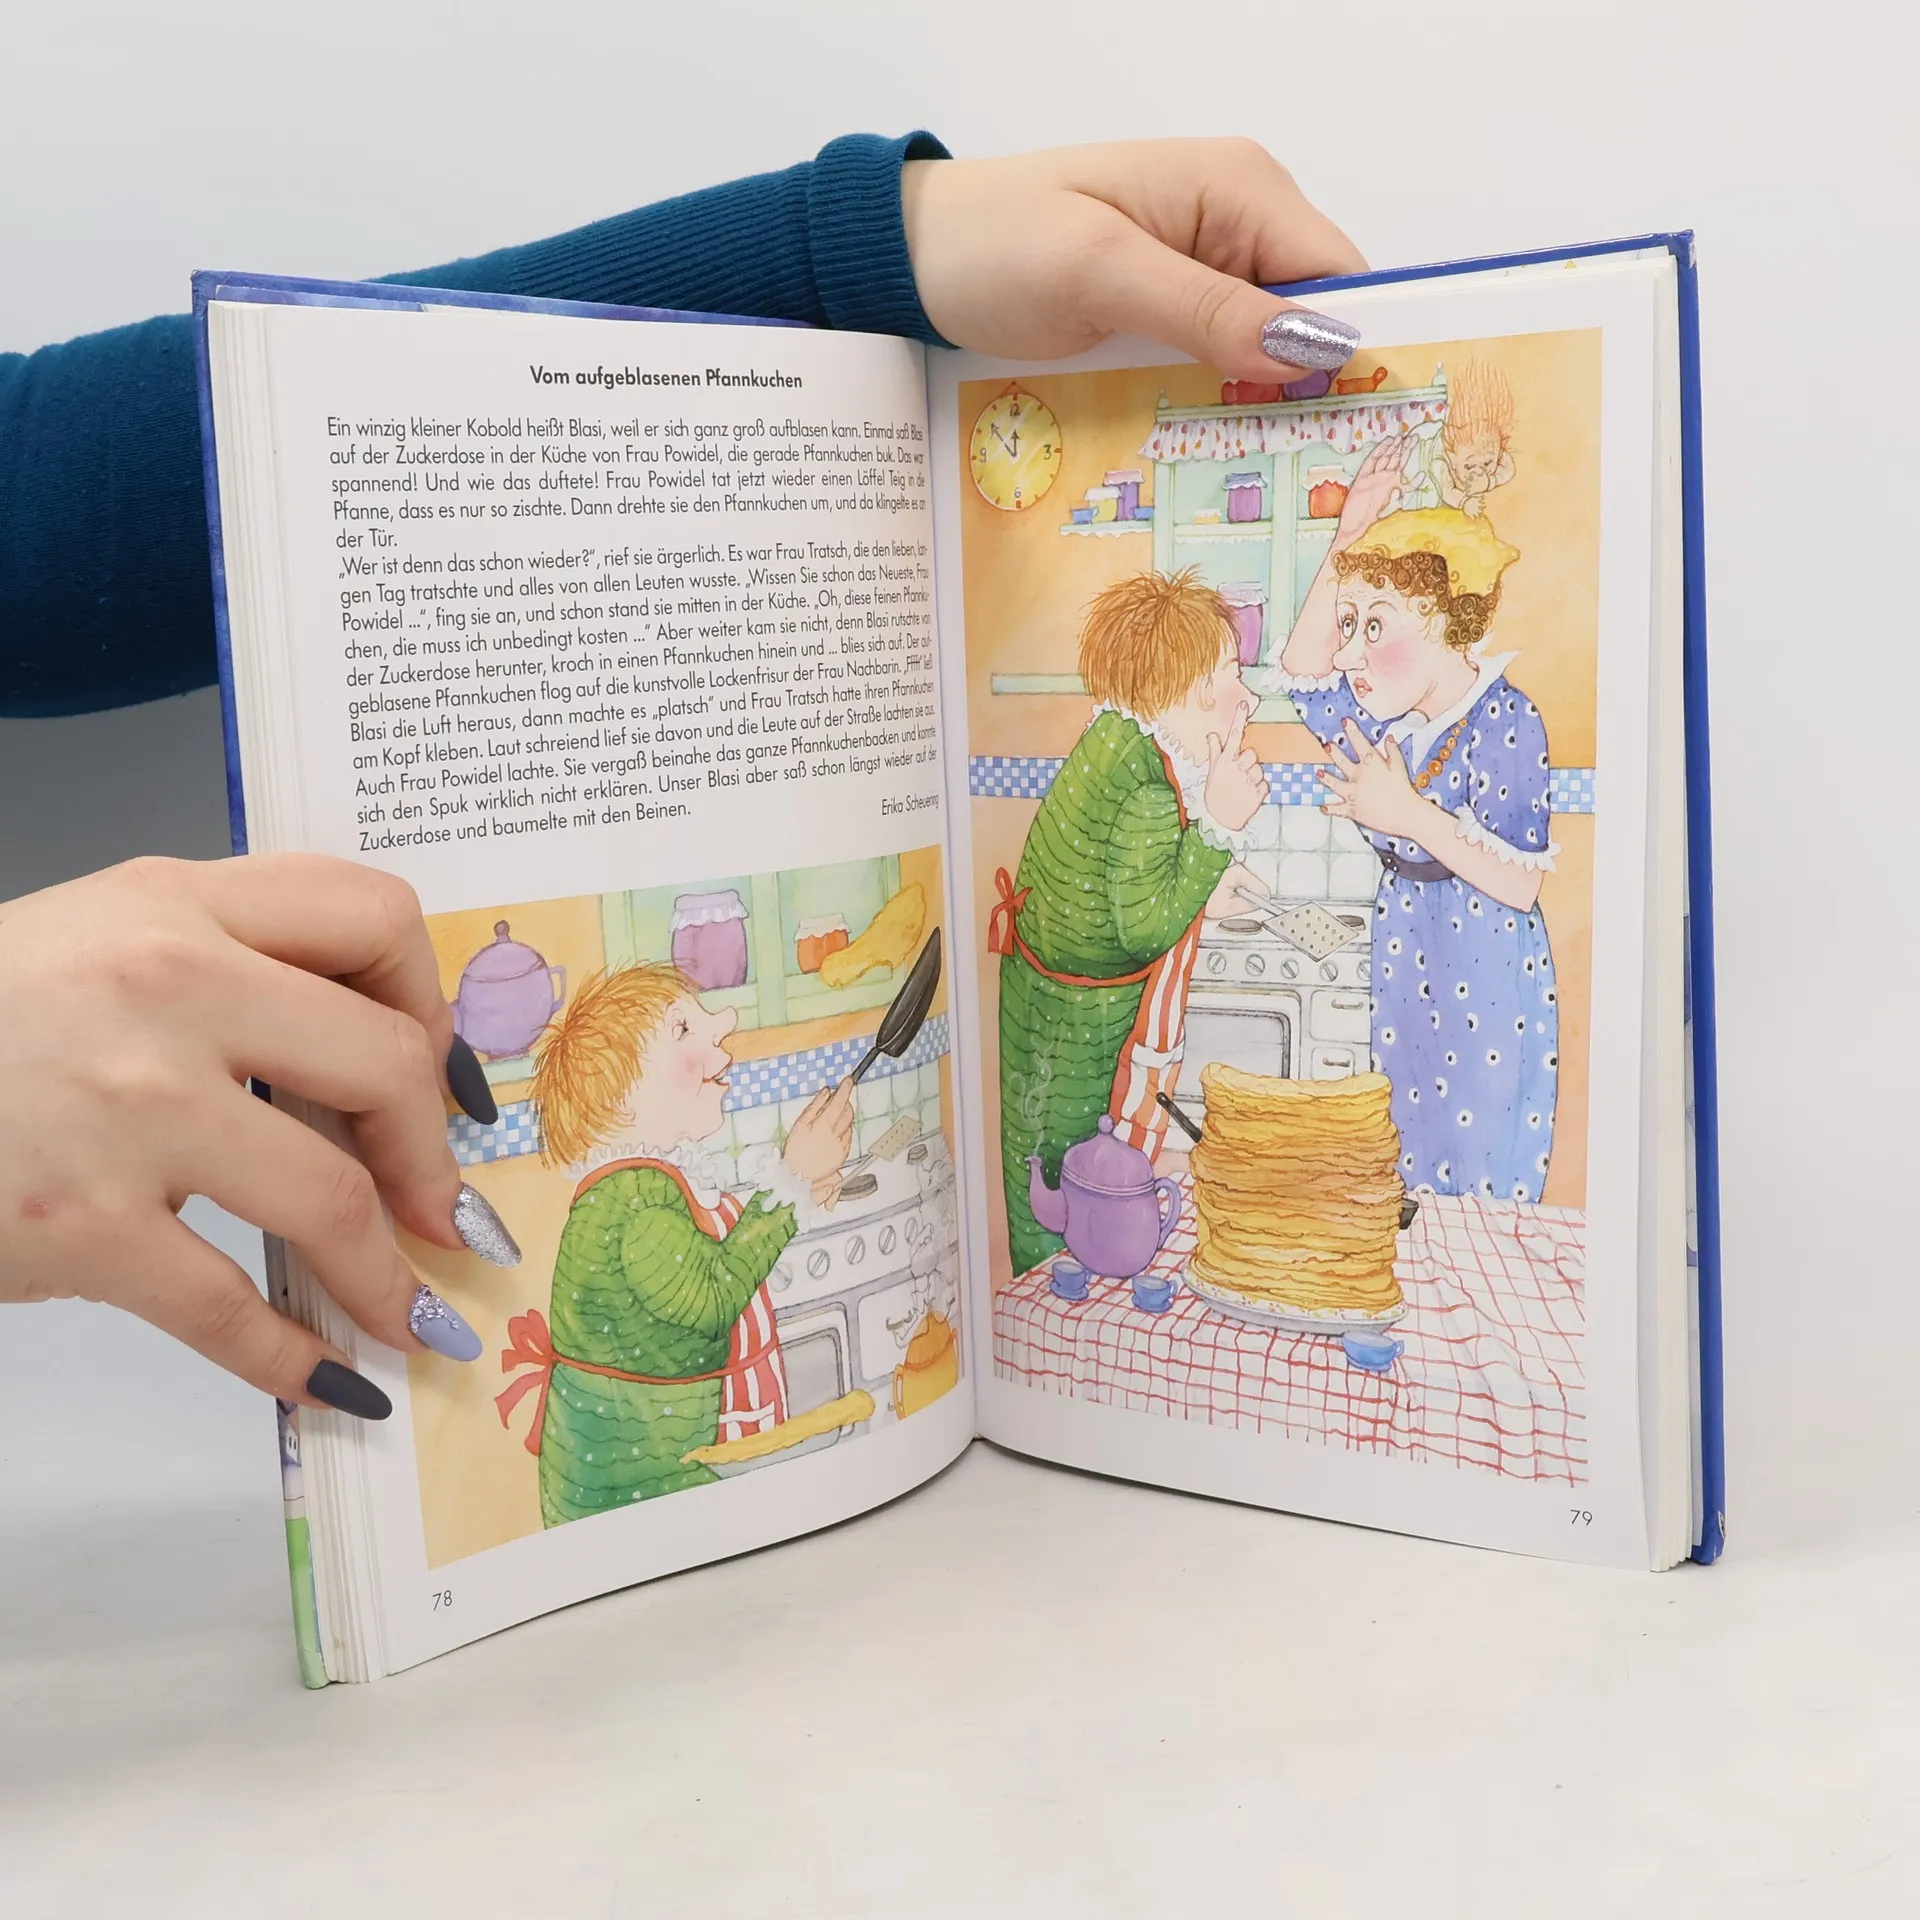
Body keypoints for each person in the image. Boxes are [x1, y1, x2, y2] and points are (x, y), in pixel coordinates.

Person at [0, 133, 1365, 1417]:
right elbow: (1115, 915)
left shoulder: (1130, 762)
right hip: (1046, 1042)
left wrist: (862, 249)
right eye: (688, 1041)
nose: (716, 1049)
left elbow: (44, 500)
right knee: (1050, 1165)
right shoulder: (630, 1200)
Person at [1278, 439, 1558, 1203]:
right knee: (1406, 1167)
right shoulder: (1388, 724)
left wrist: (1407, 813)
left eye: (1374, 627)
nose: (1348, 655)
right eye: (1347, 624)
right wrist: (1347, 537)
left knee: (1480, 1181)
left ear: (1437, 620)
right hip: (1407, 956)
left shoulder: (1506, 718)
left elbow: (1522, 884)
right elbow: (1302, 674)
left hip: (1487, 975)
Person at [492, 963, 851, 1522]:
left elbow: (702, 1256)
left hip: (657, 1457)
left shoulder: (641, 1184)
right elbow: (711, 1296)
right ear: (620, 1103)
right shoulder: (635, 1200)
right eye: (682, 1029)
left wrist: (797, 1191)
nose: (723, 1023)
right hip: (637, 1478)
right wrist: (791, 1183)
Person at [991, 569, 1266, 1275]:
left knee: (1042, 1173)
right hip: (1077, 1032)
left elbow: (1122, 883)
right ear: (1192, 686)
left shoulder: (1118, 739)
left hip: (1045, 1008)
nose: (1247, 696)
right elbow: (1144, 928)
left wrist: (1204, 890)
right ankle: (1059, 1302)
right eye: (1231, 674)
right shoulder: (1146, 785)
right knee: (1070, 1189)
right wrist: (1219, 827)